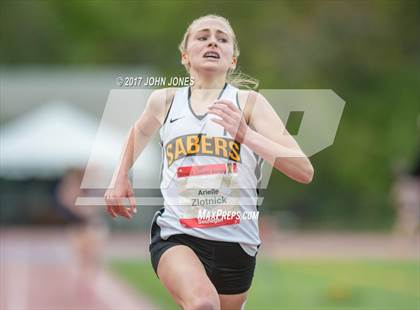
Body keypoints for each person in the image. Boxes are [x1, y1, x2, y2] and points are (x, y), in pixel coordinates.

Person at [105, 14, 314, 310]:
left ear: (232, 60)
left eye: (222, 38)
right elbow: (137, 131)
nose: (213, 41)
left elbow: (304, 170)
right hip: (178, 235)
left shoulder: (250, 103)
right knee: (204, 304)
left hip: (237, 244)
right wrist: (120, 176)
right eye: (203, 37)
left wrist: (246, 135)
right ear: (185, 55)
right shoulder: (164, 101)